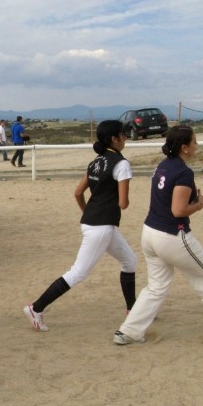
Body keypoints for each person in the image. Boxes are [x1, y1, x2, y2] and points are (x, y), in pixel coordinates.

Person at [113, 125, 203, 345]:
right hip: (171, 235)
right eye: (194, 142)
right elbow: (178, 210)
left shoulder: (163, 165)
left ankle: (128, 331)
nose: (196, 145)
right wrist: (200, 204)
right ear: (184, 147)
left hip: (150, 232)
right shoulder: (184, 173)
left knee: (156, 287)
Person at [23, 120, 137, 332]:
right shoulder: (121, 164)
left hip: (93, 222)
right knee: (78, 272)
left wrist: (88, 212)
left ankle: (133, 310)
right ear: (115, 138)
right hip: (101, 226)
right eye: (123, 134)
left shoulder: (96, 162)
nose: (125, 138)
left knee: (129, 260)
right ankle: (35, 308)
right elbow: (123, 203)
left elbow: (78, 193)